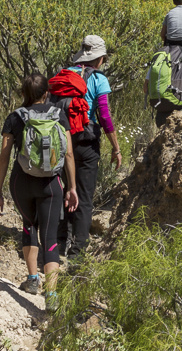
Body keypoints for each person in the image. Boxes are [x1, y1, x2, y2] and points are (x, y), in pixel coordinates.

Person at [0, 73, 78, 313]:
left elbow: (4, 156)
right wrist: (71, 187)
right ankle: (51, 294)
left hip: (22, 182)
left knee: (29, 225)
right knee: (50, 236)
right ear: (46, 93)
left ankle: (32, 280)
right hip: (51, 184)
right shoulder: (59, 115)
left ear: (23, 94)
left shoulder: (15, 118)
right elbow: (69, 154)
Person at [57, 36, 122, 259]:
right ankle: (77, 253)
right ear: (100, 58)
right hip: (86, 143)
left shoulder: (63, 75)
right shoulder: (99, 79)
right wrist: (116, 148)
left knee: (62, 192)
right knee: (83, 197)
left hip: (60, 142)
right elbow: (104, 115)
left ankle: (56, 245)